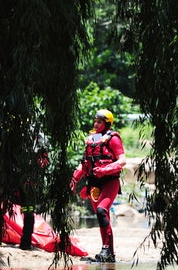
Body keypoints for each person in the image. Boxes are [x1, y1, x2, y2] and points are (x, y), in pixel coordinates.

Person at [70, 109, 126, 263]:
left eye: (99, 122)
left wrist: (105, 170)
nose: (96, 124)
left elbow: (122, 161)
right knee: (102, 216)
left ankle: (107, 249)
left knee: (102, 211)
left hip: (109, 181)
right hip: (94, 184)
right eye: (95, 121)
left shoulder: (113, 139)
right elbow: (85, 163)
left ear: (107, 123)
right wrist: (75, 179)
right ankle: (109, 253)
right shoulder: (93, 139)